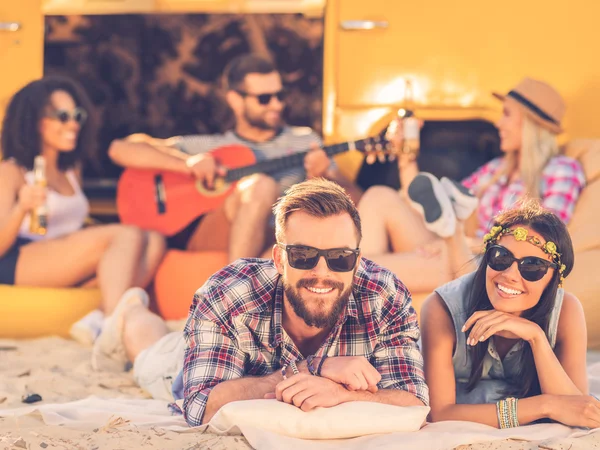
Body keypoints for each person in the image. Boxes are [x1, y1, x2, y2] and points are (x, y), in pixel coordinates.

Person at [93, 178, 428, 426]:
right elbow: (200, 407)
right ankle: (129, 308)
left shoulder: (385, 295)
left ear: (356, 260)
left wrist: (341, 393)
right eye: (303, 255)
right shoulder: (228, 292)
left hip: (239, 363)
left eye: (340, 257)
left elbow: (413, 401)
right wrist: (312, 369)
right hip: (184, 369)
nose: (322, 272)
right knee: (150, 355)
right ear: (280, 260)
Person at [108, 53, 361, 262]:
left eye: (280, 95)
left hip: (282, 235)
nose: (276, 105)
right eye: (264, 98)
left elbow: (357, 204)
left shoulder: (306, 140)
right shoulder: (216, 147)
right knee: (261, 184)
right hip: (217, 232)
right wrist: (186, 164)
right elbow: (121, 149)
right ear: (235, 101)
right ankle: (232, 289)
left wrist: (325, 177)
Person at [357, 78, 586, 293]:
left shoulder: (562, 170)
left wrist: (463, 242)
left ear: (530, 124)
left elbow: (544, 241)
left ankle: (349, 282)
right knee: (379, 197)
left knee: (357, 272)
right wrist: (406, 155)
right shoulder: (496, 169)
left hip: (491, 263)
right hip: (454, 248)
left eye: (506, 114)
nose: (499, 123)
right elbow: (435, 206)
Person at [0, 75, 166, 343]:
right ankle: (115, 324)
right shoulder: (12, 171)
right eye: (63, 115)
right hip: (20, 259)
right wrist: (21, 207)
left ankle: (98, 318)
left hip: (62, 257)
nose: (73, 124)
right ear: (36, 122)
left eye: (77, 115)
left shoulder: (70, 170)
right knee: (125, 235)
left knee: (154, 239)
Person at [420, 200, 598, 428]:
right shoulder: (442, 308)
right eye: (501, 257)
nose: (510, 274)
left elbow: (578, 411)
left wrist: (536, 337)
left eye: (532, 267)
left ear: (554, 279)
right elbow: (440, 413)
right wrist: (546, 405)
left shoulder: (566, 312)